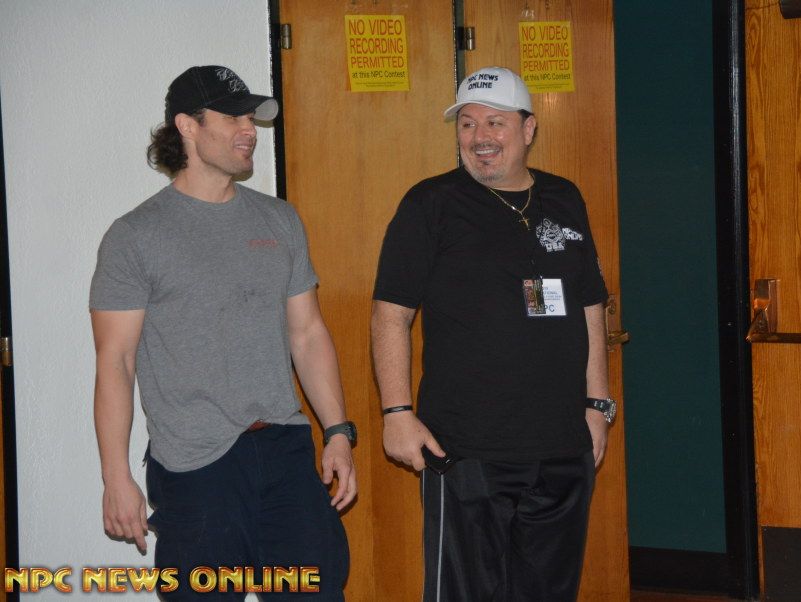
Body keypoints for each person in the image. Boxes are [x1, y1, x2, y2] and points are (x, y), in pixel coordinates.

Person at [90, 65, 355, 600]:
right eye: (233, 117)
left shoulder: (279, 220)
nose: (249, 129)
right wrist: (115, 477)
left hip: (284, 449)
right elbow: (115, 361)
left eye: (251, 117)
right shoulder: (135, 236)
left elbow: (307, 334)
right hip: (195, 465)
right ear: (187, 126)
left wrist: (338, 432)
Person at [371, 66, 617, 602]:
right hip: (466, 449)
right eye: (467, 123)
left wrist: (598, 403)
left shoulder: (564, 197)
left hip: (562, 446)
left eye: (495, 122)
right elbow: (391, 314)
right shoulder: (430, 204)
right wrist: (397, 413)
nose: (480, 137)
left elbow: (589, 304)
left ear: (528, 129)